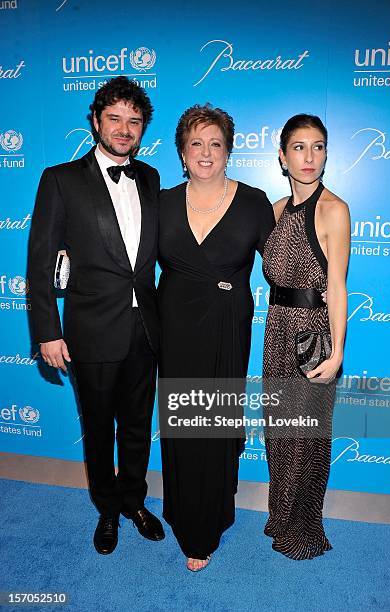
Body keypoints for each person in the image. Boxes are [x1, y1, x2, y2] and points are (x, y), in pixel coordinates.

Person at [28, 76, 164, 555]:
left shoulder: (150, 177)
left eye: (134, 121)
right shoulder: (60, 180)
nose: (124, 129)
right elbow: (41, 262)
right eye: (115, 118)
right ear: (95, 122)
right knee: (99, 428)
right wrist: (47, 331)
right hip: (90, 330)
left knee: (135, 425)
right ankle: (106, 509)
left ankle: (134, 501)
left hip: (145, 330)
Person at [157, 104, 275, 571]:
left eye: (215, 143)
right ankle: (184, 512)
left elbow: (285, 264)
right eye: (196, 144)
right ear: (182, 153)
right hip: (176, 324)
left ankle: (207, 523)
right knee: (184, 425)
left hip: (227, 323)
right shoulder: (162, 201)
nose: (206, 153)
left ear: (229, 150)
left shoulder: (253, 202)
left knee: (216, 424)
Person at [262, 114, 350, 559]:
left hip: (312, 331)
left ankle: (303, 529)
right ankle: (279, 515)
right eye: (299, 147)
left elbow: (336, 286)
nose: (309, 157)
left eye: (318, 147)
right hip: (276, 327)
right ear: (282, 155)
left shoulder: (334, 209)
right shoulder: (276, 210)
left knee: (306, 437)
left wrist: (336, 353)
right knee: (278, 432)